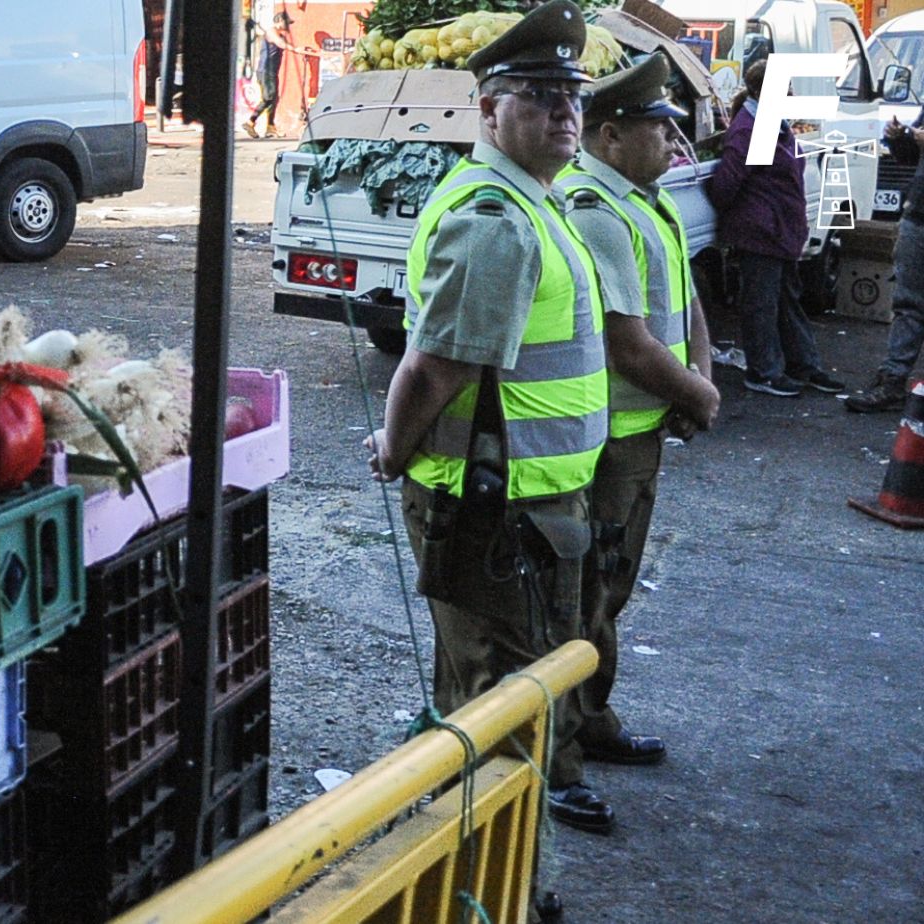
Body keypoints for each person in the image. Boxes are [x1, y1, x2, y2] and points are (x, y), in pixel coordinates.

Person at [367, 0, 614, 835]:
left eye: (571, 95)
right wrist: (394, 451)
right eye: (539, 94)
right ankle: (476, 875)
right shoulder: (497, 221)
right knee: (500, 713)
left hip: (531, 510)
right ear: (488, 110)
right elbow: (432, 367)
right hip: (495, 511)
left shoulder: (536, 202)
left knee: (497, 693)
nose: (564, 111)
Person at [557, 54, 721, 769]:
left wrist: (698, 382)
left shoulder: (643, 200)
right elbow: (628, 343)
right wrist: (697, 394)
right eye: (662, 130)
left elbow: (684, 304)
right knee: (591, 590)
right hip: (608, 439)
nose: (677, 145)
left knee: (607, 587)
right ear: (611, 135)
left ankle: (590, 719)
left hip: (643, 426)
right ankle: (570, 737)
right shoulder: (595, 209)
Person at [707, 60, 846, 399]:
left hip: (778, 230)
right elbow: (729, 181)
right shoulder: (753, 127)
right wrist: (748, 218)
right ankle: (764, 373)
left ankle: (803, 365)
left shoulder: (767, 122)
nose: (792, 94)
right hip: (764, 231)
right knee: (762, 304)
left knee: (785, 301)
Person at [845, 112, 924, 412]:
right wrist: (897, 138)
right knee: (908, 304)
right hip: (918, 216)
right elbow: (908, 157)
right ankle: (892, 381)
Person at [242, 0, 314, 139]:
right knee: (269, 97)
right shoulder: (271, 31)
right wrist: (296, 50)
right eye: (287, 23)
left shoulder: (278, 34)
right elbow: (280, 43)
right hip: (266, 70)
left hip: (272, 71)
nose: (288, 26)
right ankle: (250, 121)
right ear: (280, 21)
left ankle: (270, 127)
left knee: (274, 98)